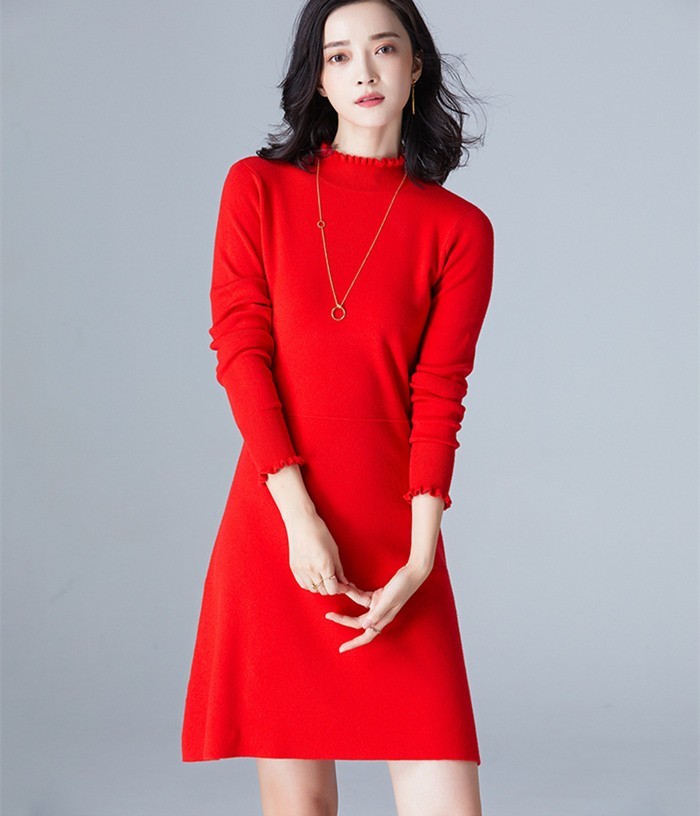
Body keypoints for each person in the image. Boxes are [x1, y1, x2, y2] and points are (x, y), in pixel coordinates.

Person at [181, 0, 495, 813]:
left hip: (397, 544)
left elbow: (440, 394)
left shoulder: (459, 229)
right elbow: (241, 354)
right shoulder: (257, 189)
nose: (363, 71)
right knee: (302, 806)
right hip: (280, 529)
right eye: (339, 56)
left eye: (384, 49)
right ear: (317, 80)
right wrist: (298, 518)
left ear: (415, 66)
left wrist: (420, 561)